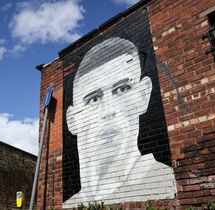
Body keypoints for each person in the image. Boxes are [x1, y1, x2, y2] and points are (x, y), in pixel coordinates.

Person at [63, 37, 176, 207]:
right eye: (93, 99)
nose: (109, 110)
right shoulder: (70, 204)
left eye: (122, 89)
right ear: (72, 120)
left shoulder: (165, 182)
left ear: (143, 96)